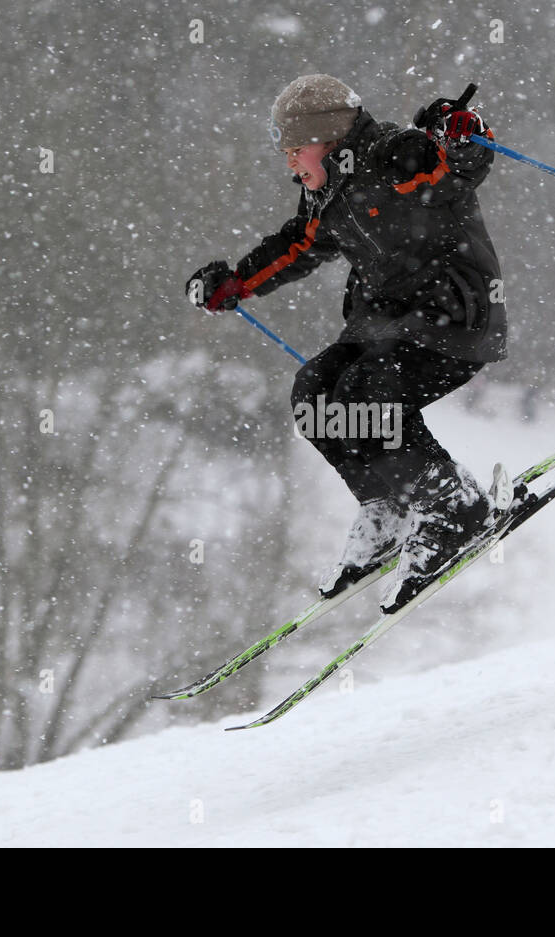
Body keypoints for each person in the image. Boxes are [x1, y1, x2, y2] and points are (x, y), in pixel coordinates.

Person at [186, 74, 506, 611]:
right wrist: (237, 281)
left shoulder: (392, 155)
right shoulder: (329, 196)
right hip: (383, 326)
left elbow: (455, 168)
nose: (289, 161)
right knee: (314, 394)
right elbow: (298, 246)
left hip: (449, 319)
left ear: (329, 140)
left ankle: (455, 507)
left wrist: (463, 134)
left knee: (366, 393)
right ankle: (388, 504)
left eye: (295, 149)